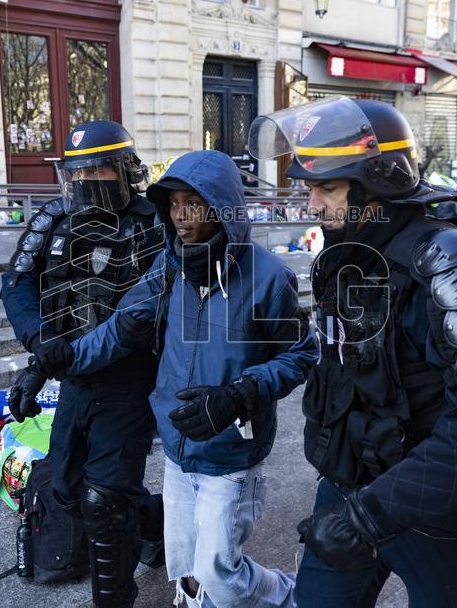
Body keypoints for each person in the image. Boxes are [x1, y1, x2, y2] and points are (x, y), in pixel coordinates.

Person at [247, 96, 457, 607]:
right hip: (347, 489)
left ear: (378, 184)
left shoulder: (450, 264)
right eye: (310, 189)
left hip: (436, 512)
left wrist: (369, 516)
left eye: (327, 189)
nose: (312, 205)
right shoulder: (345, 253)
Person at [31, 149, 318, 607]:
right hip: (177, 448)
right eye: (174, 204)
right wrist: (54, 363)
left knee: (219, 576)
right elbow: (120, 329)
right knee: (185, 568)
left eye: (194, 204)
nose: (180, 216)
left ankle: (292, 596)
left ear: (222, 208)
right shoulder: (169, 266)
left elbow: (302, 354)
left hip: (231, 451)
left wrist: (238, 395)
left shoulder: (268, 277)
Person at [0, 120, 165, 607]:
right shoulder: (53, 218)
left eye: (97, 170)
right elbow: (17, 284)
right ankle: (161, 523)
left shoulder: (154, 223)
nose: (85, 181)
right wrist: (39, 347)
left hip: (131, 381)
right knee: (68, 489)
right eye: (77, 172)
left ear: (124, 170)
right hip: (73, 376)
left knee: (104, 500)